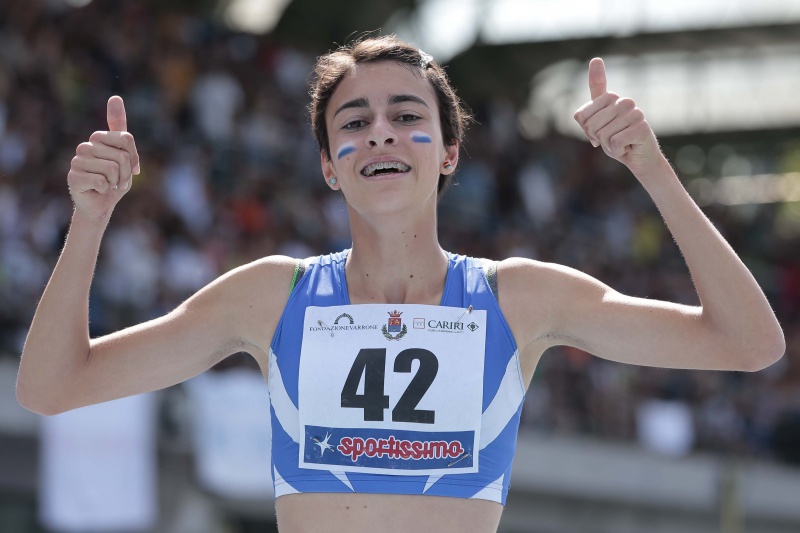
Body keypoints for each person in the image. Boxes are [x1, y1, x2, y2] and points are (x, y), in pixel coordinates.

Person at [17, 35, 784, 533]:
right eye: (353, 122)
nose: (379, 131)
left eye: (405, 114)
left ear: (449, 152)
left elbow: (749, 342)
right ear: (329, 166)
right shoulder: (271, 297)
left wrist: (653, 169)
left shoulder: (518, 298)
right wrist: (90, 219)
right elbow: (51, 386)